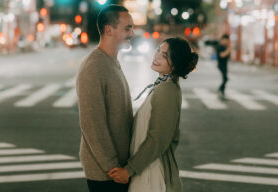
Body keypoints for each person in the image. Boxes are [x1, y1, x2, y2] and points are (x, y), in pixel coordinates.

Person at [108, 37, 198, 192]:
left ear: (175, 63)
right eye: (158, 50)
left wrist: (129, 170)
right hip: (148, 170)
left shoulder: (166, 90)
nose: (156, 56)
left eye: (164, 55)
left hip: (152, 175)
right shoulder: (164, 85)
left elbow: (158, 139)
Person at [76, 5, 135, 192]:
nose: (132, 33)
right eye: (127, 28)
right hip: (106, 174)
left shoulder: (112, 62)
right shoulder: (94, 67)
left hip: (118, 169)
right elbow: (92, 123)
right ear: (108, 30)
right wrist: (112, 167)